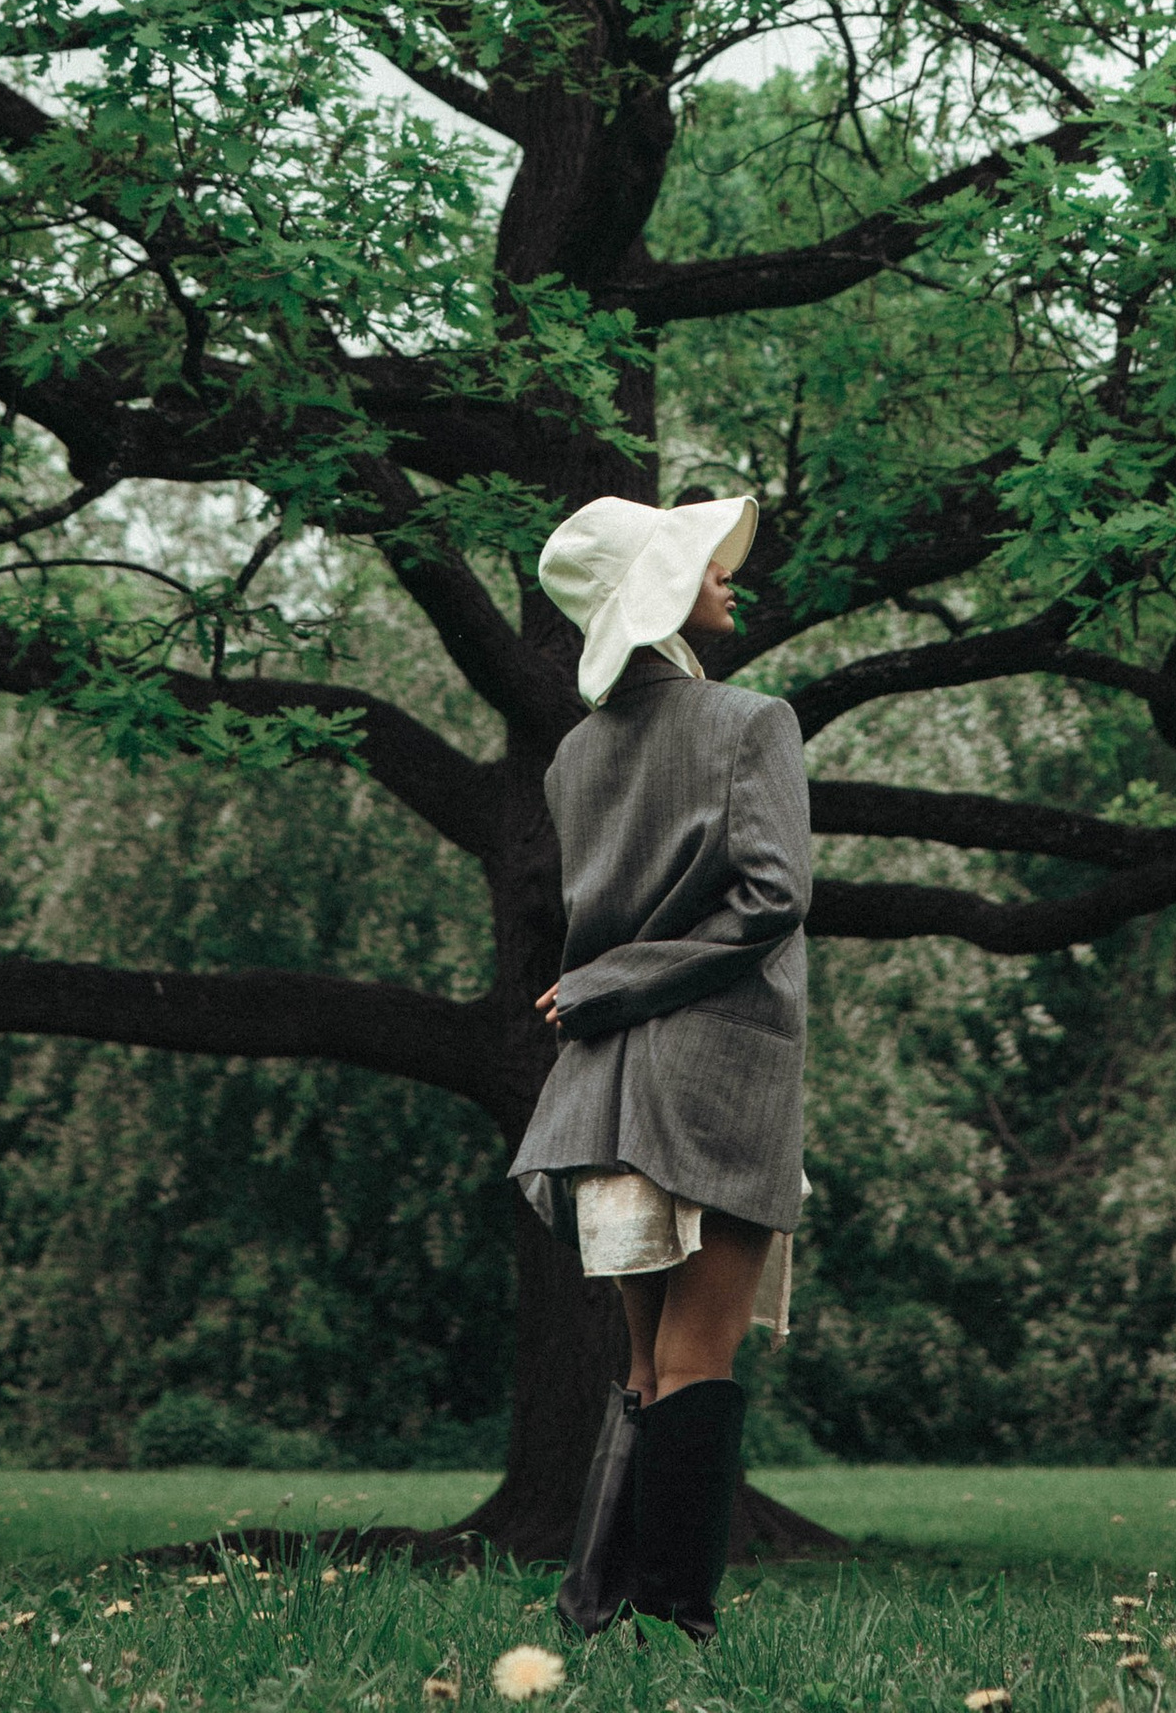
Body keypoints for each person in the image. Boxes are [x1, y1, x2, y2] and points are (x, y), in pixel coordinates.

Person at [509, 489, 812, 1643]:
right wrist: (619, 983)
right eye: (701, 561)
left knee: (644, 1360)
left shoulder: (572, 756)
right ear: (660, 593)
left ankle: (599, 1612)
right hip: (712, 1081)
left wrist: (600, 988)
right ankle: (677, 1618)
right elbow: (774, 899)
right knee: (698, 1356)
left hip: (605, 1091)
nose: (729, 574)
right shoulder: (751, 721)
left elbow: (596, 932)